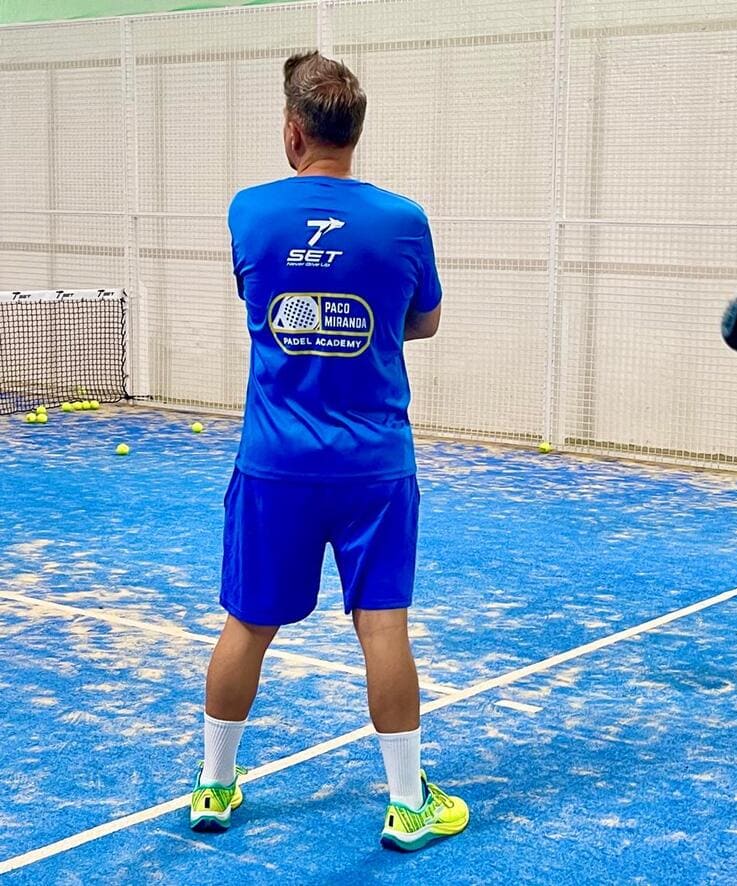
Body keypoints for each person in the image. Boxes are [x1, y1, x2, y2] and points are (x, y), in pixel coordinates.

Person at [188, 50, 468, 853]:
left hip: (275, 462)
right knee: (384, 628)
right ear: (355, 131)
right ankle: (408, 804)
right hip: (373, 464)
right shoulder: (403, 220)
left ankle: (214, 786)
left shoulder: (250, 212)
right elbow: (424, 321)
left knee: (246, 624)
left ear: (292, 131)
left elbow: (261, 299)